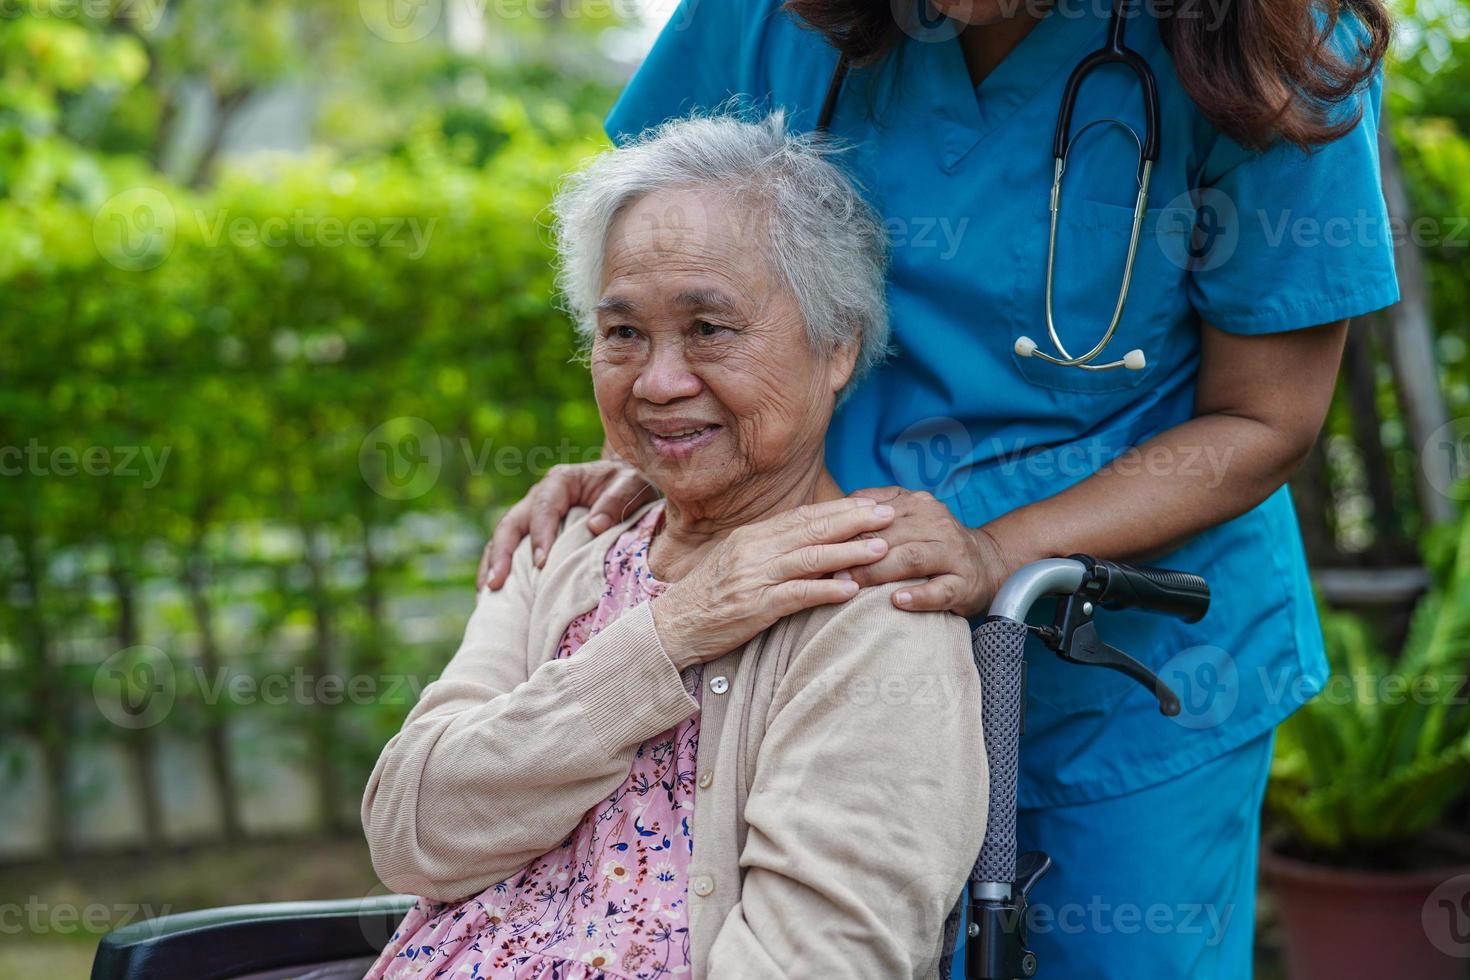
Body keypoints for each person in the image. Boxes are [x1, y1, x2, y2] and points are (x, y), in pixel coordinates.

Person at [475, 1, 1399, 975]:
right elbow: (672, 265)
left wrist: (997, 552)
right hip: (821, 645)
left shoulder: (1277, 42)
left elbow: (1265, 419)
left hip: (1129, 670)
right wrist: (648, 457)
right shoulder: (765, 16)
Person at [362, 112, 986, 979]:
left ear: (836, 346)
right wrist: (669, 633)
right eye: (622, 334)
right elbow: (410, 834)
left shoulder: (875, 613)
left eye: (709, 329)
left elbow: (815, 962)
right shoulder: (565, 546)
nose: (658, 382)